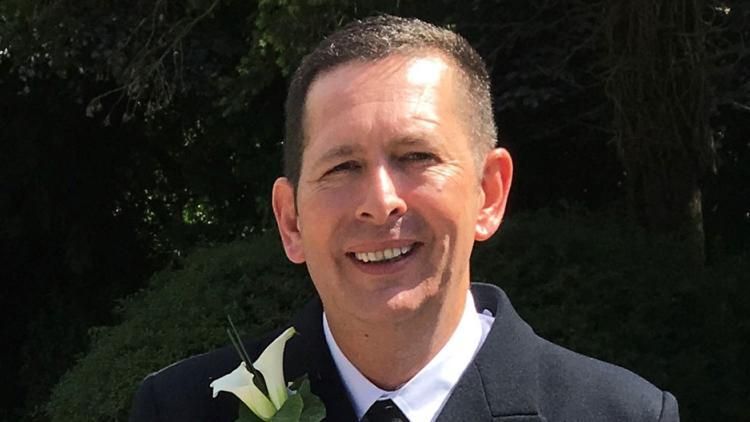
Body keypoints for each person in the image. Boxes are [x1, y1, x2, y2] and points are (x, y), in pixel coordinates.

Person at [130, 15, 679, 421]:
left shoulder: (621, 414)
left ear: (489, 193)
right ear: (290, 220)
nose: (381, 200)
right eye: (343, 166)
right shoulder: (180, 410)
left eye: (417, 156)